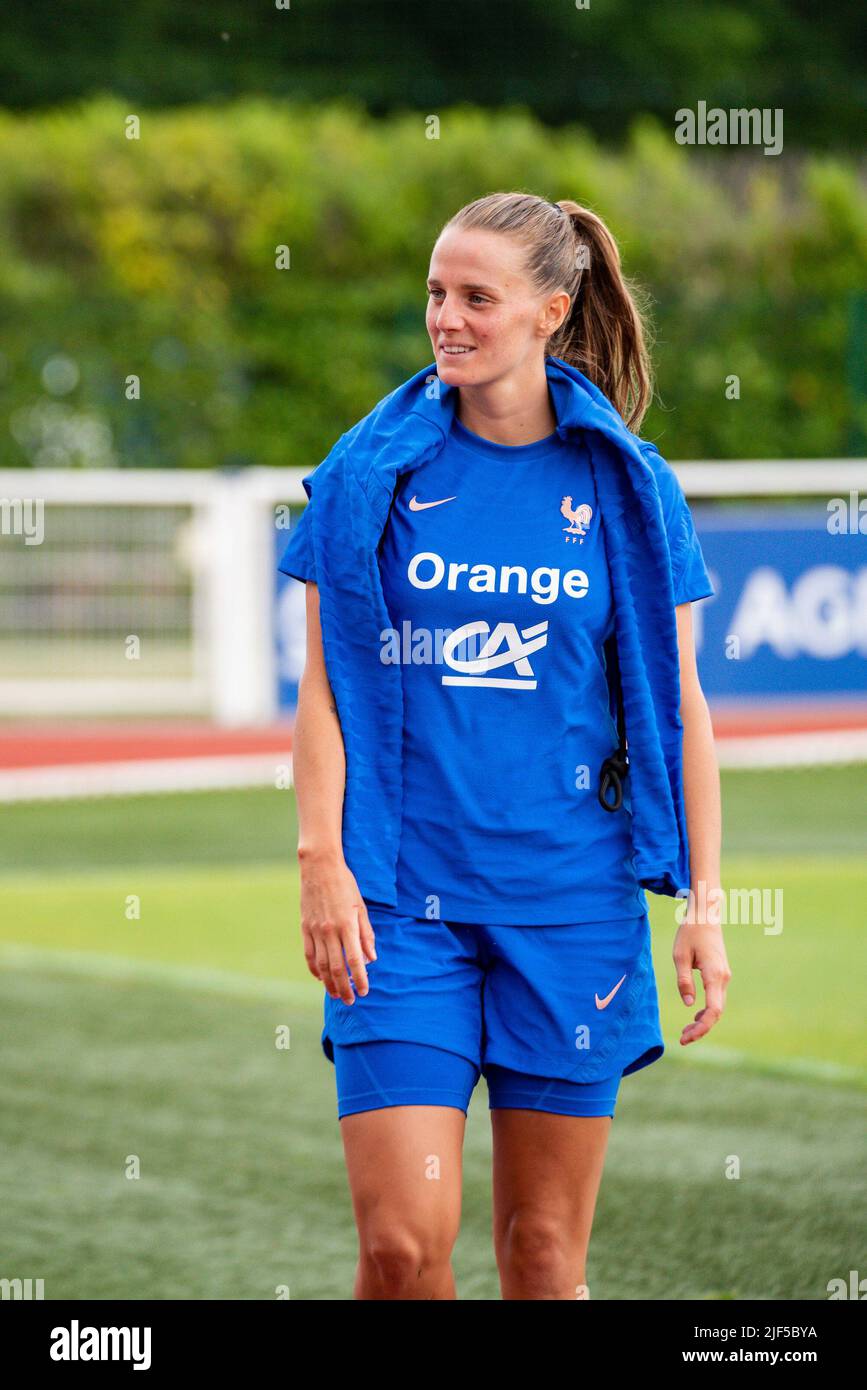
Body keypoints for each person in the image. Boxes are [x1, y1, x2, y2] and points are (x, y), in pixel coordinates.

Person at [278, 192, 731, 1300]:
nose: (447, 317)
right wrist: (320, 861)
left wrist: (706, 905)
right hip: (398, 911)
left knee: (541, 1258)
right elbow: (324, 696)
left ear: (549, 311)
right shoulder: (367, 475)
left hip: (574, 912)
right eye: (437, 292)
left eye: (477, 297)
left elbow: (683, 709)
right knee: (401, 1244)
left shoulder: (629, 484)